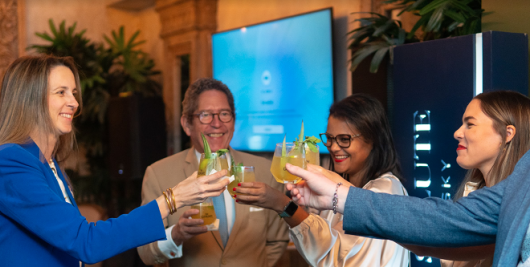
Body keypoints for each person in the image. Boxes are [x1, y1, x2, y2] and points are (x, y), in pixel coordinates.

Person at [0, 55, 230, 266]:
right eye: (61, 92)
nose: (74, 103)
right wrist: (174, 198)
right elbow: (86, 242)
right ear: (30, 99)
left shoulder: (49, 163)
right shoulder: (10, 162)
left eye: (73, 93)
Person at [285, 91, 530, 266]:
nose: (457, 133)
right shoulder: (480, 193)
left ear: (507, 134)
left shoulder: (385, 186)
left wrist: (333, 195)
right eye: (330, 139)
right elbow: (433, 233)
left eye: (470, 124)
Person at [235, 94, 410, 266]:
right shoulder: (337, 187)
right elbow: (318, 249)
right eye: (330, 138)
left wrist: (283, 205)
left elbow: (333, 255)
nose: (334, 147)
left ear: (373, 139)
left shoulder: (386, 190)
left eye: (344, 139)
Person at [137, 78, 289, 266]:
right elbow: (146, 253)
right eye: (205, 115)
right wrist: (176, 234)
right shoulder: (159, 174)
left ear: (233, 121)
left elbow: (277, 240)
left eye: (224, 114)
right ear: (186, 124)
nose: (217, 123)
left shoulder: (265, 171)